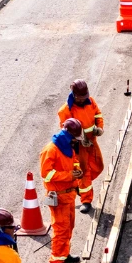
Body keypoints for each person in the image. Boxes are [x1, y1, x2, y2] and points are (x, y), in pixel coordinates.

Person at [40, 118, 85, 263]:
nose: (75, 141)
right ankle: (56, 261)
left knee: (69, 227)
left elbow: (74, 161)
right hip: (58, 198)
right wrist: (69, 175)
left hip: (68, 196)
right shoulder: (51, 150)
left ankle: (64, 254)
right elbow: (46, 174)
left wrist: (77, 170)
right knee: (61, 229)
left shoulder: (67, 147)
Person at [57, 79, 104, 214]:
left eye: (85, 97)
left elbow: (98, 115)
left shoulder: (91, 101)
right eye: (81, 97)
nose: (84, 100)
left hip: (92, 142)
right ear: (74, 95)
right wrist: (80, 140)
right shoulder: (66, 110)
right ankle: (86, 200)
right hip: (79, 146)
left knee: (98, 166)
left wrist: (99, 128)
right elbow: (66, 130)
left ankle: (79, 185)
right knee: (84, 172)